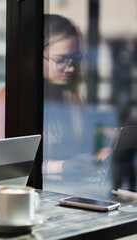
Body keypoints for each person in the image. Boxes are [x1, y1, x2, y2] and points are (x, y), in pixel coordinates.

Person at [42, 14, 112, 182]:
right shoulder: (16, 101)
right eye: (61, 60)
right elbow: (8, 167)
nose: (71, 68)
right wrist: (63, 166)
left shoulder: (72, 99)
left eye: (75, 58)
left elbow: (82, 148)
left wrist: (96, 157)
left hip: (72, 186)